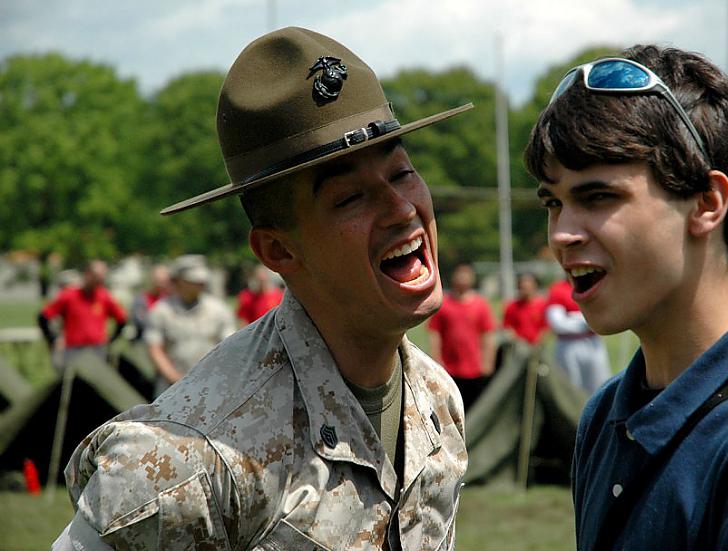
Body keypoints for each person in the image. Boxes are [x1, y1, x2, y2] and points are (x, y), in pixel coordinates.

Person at [54, 27, 471, 550]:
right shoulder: (187, 464)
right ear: (278, 251)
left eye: (403, 172)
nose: (402, 208)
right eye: (349, 198)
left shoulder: (436, 400)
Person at [525, 45, 728, 549]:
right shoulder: (604, 416)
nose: (562, 233)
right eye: (554, 203)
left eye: (598, 197)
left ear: (707, 203)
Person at [145, 255, 235, 397]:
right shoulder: (161, 311)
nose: (200, 283)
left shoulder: (218, 309)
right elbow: (155, 349)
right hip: (170, 389)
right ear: (178, 281)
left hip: (211, 386)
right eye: (193, 280)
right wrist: (176, 379)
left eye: (201, 280)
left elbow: (231, 346)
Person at [428, 263, 496, 409]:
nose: (463, 278)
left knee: (474, 407)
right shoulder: (443, 304)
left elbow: (488, 335)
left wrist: (488, 361)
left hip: (475, 369)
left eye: (466, 274)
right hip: (449, 369)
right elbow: (435, 334)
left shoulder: (481, 305)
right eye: (460, 274)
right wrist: (436, 359)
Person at [37, 259, 126, 369]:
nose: (100, 280)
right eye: (97, 276)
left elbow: (122, 319)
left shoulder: (104, 296)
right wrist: (53, 339)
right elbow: (43, 317)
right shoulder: (69, 296)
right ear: (87, 274)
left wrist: (112, 339)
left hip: (97, 349)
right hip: (74, 350)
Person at [545, 277, 611, 394]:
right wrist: (585, 321)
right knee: (571, 387)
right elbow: (558, 323)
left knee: (600, 384)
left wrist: (573, 317)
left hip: (593, 342)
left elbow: (605, 315)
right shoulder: (558, 290)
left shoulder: (595, 285)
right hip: (569, 344)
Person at [128, 263, 171, 341]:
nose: (161, 285)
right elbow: (139, 321)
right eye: (158, 281)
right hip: (145, 340)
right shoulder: (140, 299)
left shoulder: (171, 299)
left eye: (164, 282)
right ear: (152, 280)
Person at [502, 272, 547, 345]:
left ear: (535, 286)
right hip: (519, 347)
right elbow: (507, 326)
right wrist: (518, 341)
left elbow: (546, 328)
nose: (524, 288)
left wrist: (539, 341)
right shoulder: (512, 306)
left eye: (527, 286)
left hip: (538, 346)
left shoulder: (542, 306)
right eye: (522, 287)